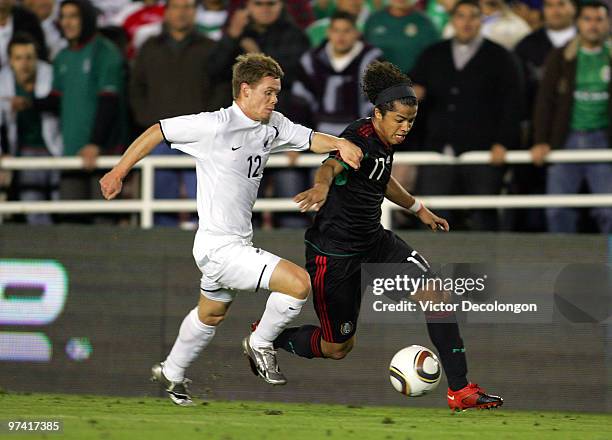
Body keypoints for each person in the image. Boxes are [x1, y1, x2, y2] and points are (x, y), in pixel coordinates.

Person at [99, 53, 363, 406]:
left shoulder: (274, 125)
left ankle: (172, 372)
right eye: (268, 93)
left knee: (211, 314)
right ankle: (261, 343)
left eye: (277, 93)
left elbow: (310, 137)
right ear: (245, 90)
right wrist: (119, 172)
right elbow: (157, 130)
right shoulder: (214, 126)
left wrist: (340, 143)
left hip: (230, 243)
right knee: (298, 284)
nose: (274, 100)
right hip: (220, 247)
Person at [269, 60, 503, 412]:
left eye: (411, 121)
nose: (406, 127)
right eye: (400, 120)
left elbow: (382, 176)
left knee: (436, 295)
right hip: (334, 253)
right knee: (337, 347)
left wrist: (417, 208)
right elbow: (331, 165)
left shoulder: (384, 142)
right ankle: (268, 337)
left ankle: (461, 390)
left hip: (375, 241)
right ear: (378, 114)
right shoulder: (356, 139)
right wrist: (320, 188)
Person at [411, 0, 523, 231]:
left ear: (481, 20)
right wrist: (414, 95)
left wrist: (503, 142)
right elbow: (412, 94)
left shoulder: (501, 57)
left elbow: (513, 104)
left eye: (473, 16)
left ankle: (488, 269)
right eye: (461, 16)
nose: (467, 22)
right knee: (432, 215)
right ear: (452, 20)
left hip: (482, 152)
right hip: (437, 150)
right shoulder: (433, 54)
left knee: (483, 217)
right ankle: (433, 268)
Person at [130, 0, 218, 226]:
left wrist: (210, 123)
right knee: (159, 201)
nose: (182, 13)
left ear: (195, 12)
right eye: (177, 7)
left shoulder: (209, 48)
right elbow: (136, 88)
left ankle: (207, 254)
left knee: (206, 204)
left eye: (188, 7)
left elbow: (221, 88)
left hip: (200, 138)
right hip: (160, 137)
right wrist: (147, 119)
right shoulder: (149, 47)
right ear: (167, 12)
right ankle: (160, 250)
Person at [532, 0, 612, 233]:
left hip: (604, 142)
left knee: (609, 211)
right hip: (565, 140)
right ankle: (562, 267)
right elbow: (545, 102)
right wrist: (540, 140)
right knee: (557, 210)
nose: (593, 25)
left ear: (607, 23)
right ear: (578, 23)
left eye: (599, 19)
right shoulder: (560, 56)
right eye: (587, 19)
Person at [0, 33, 62, 225]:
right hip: (25, 153)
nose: (24, 63)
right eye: (18, 58)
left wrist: (29, 104)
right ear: (10, 61)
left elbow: (61, 102)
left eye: (29, 57)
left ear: (37, 59)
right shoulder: (2, 82)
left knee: (63, 206)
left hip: (56, 149)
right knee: (35, 211)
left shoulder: (51, 74)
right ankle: (45, 253)